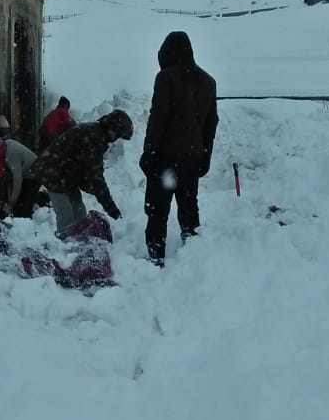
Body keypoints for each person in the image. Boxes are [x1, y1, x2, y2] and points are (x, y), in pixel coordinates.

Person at [140, 31, 218, 266]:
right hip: (193, 158)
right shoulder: (208, 81)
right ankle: (192, 253)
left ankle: (156, 257)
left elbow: (159, 118)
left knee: (157, 209)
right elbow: (211, 122)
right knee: (188, 205)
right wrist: (206, 155)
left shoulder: (166, 78)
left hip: (166, 158)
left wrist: (149, 152)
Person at [25, 109, 133, 229]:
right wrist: (109, 206)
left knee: (80, 216)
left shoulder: (96, 134)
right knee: (67, 221)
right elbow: (95, 176)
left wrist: (96, 191)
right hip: (53, 175)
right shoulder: (94, 137)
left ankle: (76, 243)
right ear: (112, 128)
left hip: (67, 177)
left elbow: (85, 171)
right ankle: (62, 245)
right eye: (118, 135)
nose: (115, 139)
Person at [0, 131, 42, 218]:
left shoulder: (11, 154)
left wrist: (12, 202)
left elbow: (17, 179)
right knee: (20, 204)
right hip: (29, 173)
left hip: (33, 175)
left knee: (21, 206)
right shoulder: (6, 144)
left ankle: (23, 225)